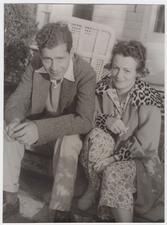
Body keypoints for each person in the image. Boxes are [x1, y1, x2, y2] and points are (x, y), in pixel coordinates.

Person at [3, 22, 96, 222]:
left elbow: (86, 120)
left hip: (68, 136)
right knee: (6, 129)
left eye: (60, 58)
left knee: (69, 140)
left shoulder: (85, 73)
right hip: (41, 134)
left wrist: (39, 128)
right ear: (41, 55)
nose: (54, 67)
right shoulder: (35, 64)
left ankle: (59, 210)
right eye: (48, 59)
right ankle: (9, 198)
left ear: (71, 53)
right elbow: (16, 101)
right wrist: (15, 121)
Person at [78, 40, 164, 222]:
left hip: (139, 161)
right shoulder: (103, 87)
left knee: (114, 172)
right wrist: (105, 120)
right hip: (106, 153)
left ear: (139, 73)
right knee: (96, 136)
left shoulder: (148, 98)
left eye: (127, 70)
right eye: (116, 68)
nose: (119, 76)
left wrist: (114, 159)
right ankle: (94, 187)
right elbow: (86, 115)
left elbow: (146, 145)